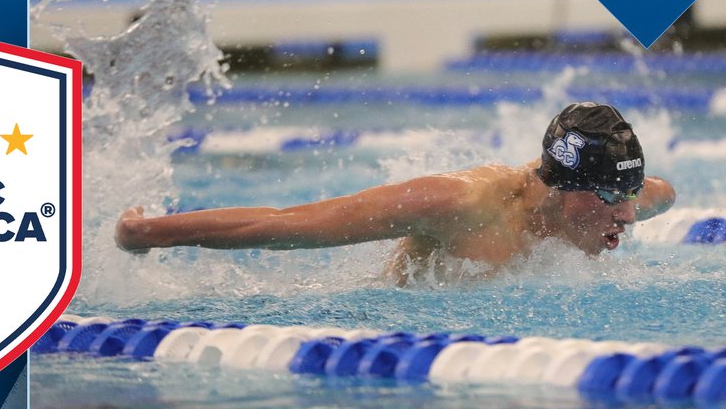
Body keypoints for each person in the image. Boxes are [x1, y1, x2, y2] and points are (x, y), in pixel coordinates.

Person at [116, 102, 676, 284]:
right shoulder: (461, 205)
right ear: (560, 187)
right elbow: (290, 223)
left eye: (629, 191)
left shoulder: (613, 204)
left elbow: (665, 194)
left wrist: (633, 192)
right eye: (609, 194)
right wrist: (148, 233)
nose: (627, 214)